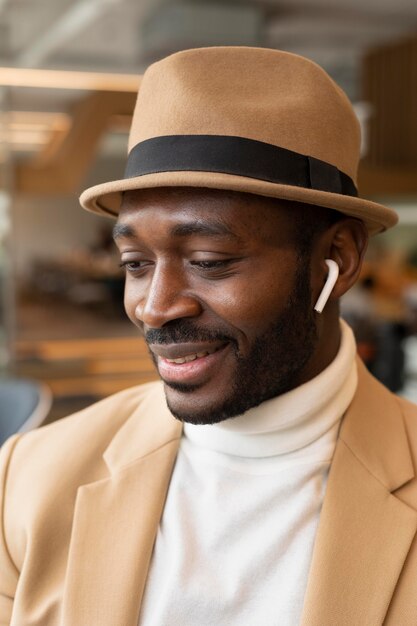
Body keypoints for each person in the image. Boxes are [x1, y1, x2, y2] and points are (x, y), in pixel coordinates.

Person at [1, 47, 417, 626]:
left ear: (337, 260)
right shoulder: (33, 476)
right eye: (135, 263)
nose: (154, 308)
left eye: (209, 260)